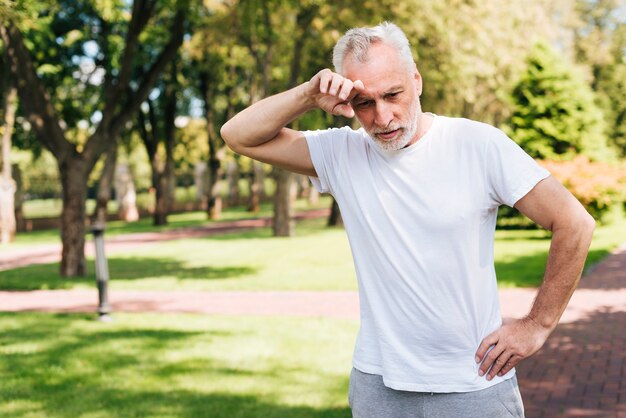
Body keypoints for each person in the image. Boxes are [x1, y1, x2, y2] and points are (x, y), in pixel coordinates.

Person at [220, 22, 595, 418]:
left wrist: (537, 324)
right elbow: (238, 135)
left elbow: (574, 222)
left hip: (473, 382)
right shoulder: (341, 153)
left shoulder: (477, 145)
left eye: (393, 95)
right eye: (364, 102)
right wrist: (308, 95)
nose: (382, 117)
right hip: (378, 385)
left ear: (416, 80)